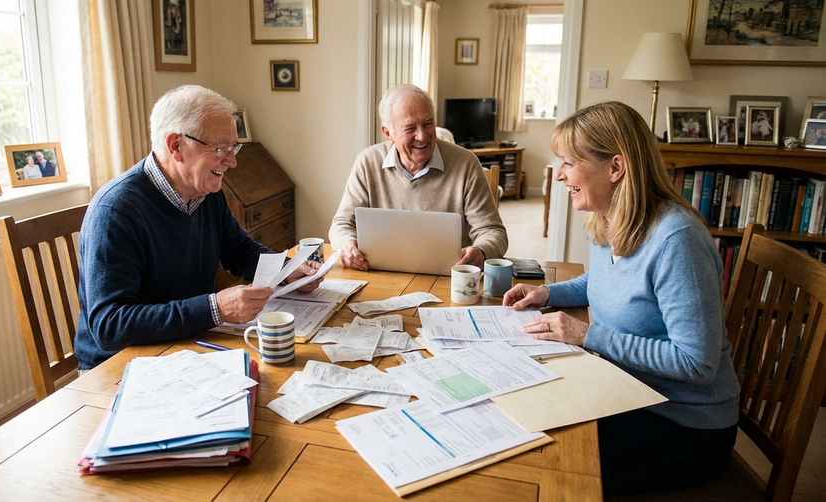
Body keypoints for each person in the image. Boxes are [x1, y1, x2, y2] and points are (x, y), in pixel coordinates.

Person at [502, 101, 740, 495]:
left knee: (545, 471)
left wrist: (587, 335)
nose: (559, 175)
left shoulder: (677, 241)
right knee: (522, 413)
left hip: (685, 424)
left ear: (615, 167)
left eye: (569, 163)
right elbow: (608, 283)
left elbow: (698, 363)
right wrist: (548, 292)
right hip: (627, 391)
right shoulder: (609, 217)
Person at [75, 84, 323, 371]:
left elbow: (239, 251)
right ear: (176, 146)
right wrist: (215, 308)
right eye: (220, 149)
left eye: (233, 148)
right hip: (123, 366)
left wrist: (287, 270)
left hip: (187, 346)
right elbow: (111, 327)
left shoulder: (206, 192)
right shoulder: (116, 211)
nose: (231, 161)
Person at [328, 84, 507, 271]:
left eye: (428, 124)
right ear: (388, 134)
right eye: (410, 128)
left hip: (448, 277)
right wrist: (346, 244)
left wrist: (481, 250)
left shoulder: (466, 163)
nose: (422, 136)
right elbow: (341, 224)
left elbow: (493, 232)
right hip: (381, 273)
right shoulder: (367, 162)